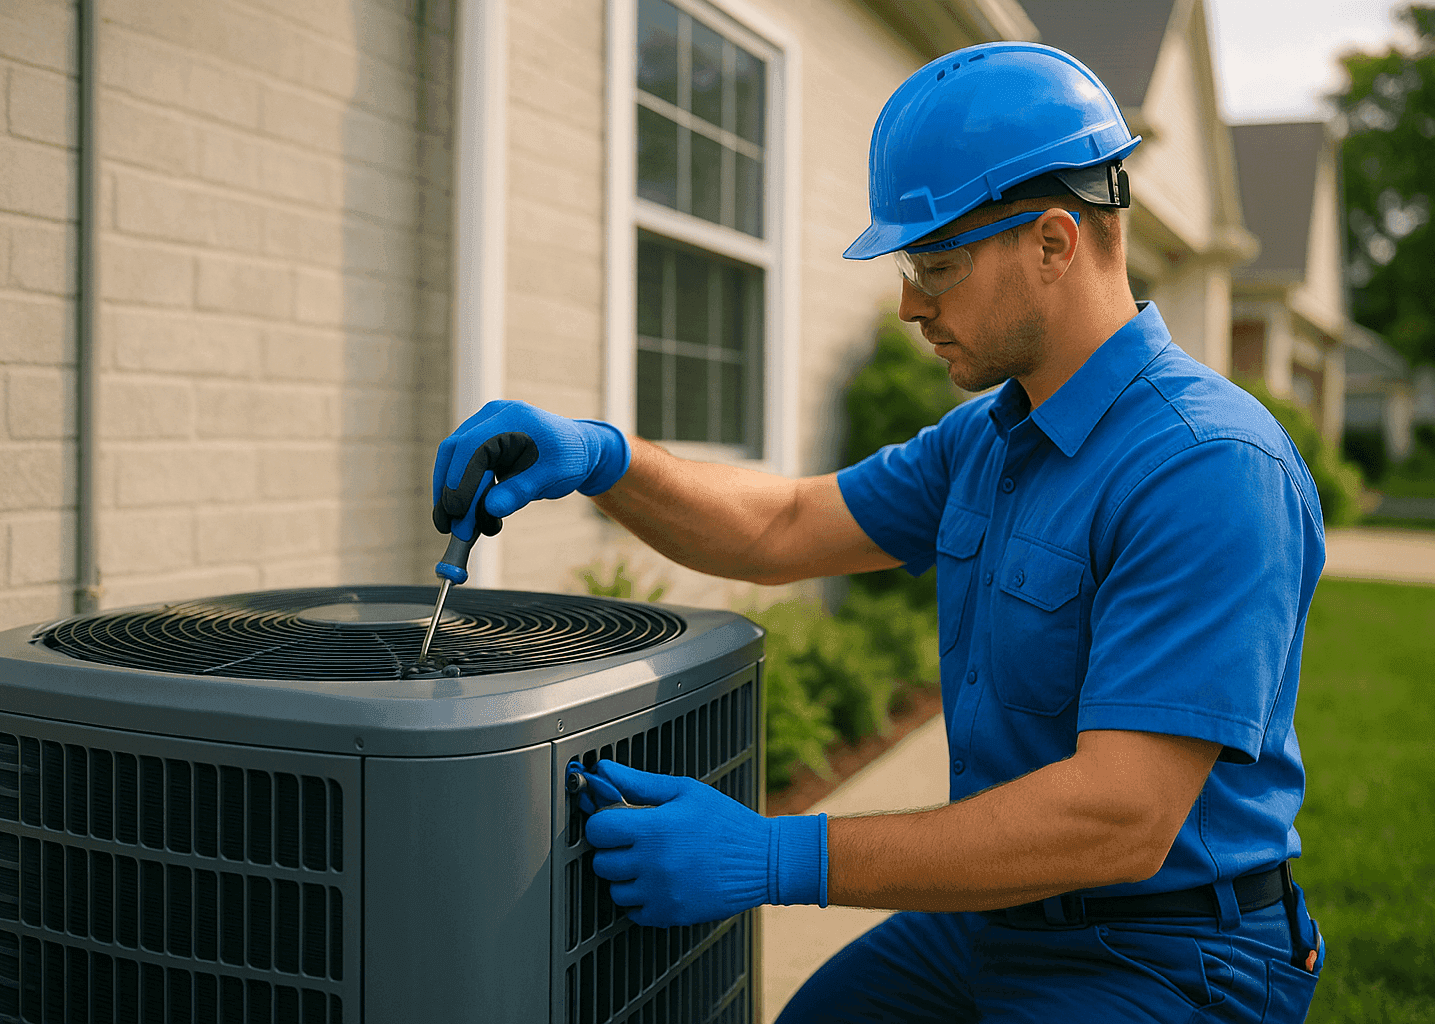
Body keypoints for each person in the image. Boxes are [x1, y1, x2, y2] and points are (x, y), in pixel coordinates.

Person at [432, 40, 1325, 1023]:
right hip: (996, 916)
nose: (909, 304)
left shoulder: (1206, 467)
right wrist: (603, 458)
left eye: (936, 263)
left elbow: (1119, 819)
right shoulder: (990, 439)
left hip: (1168, 952)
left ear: (1054, 243)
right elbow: (783, 526)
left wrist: (777, 855)